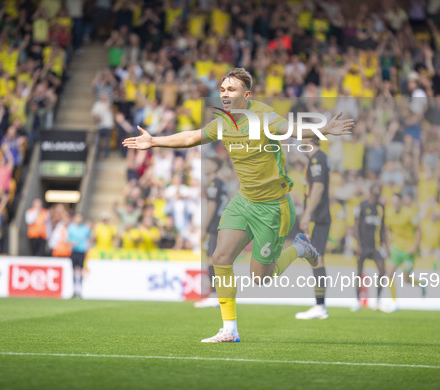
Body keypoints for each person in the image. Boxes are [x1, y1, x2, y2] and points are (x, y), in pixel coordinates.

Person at [123, 67, 354, 343]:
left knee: (261, 279)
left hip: (272, 207)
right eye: (222, 90)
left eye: (231, 90)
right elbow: (190, 138)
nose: (225, 94)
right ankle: (229, 329)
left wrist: (322, 128)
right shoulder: (222, 122)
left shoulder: (263, 116)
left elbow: (290, 129)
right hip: (244, 201)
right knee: (220, 258)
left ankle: (301, 248)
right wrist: (154, 141)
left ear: (247, 94)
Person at [296, 136, 332, 320]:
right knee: (316, 260)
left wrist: (308, 213)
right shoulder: (315, 158)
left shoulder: (317, 158)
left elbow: (318, 187)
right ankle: (320, 305)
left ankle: (320, 306)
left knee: (318, 260)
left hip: (318, 217)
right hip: (318, 216)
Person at [195, 156, 227, 308]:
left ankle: (214, 295)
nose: (205, 166)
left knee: (211, 259)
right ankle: (216, 294)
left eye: (208, 163)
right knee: (215, 260)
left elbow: (212, 206)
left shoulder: (214, 183)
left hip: (215, 226)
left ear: (215, 166)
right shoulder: (221, 183)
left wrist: (204, 228)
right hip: (221, 225)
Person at [384, 193, 424, 312]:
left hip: (408, 250)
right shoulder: (389, 213)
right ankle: (394, 302)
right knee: (389, 273)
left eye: (397, 202)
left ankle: (421, 283)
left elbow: (419, 232)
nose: (395, 204)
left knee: (406, 279)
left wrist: (414, 247)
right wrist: (389, 244)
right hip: (396, 248)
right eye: (393, 202)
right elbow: (387, 229)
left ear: (401, 202)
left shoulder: (410, 213)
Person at [351, 184, 387, 312]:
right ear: (371, 192)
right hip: (363, 245)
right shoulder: (362, 206)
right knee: (359, 272)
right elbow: (356, 226)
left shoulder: (381, 208)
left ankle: (378, 301)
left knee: (382, 271)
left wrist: (385, 245)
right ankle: (357, 301)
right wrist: (358, 244)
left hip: (375, 246)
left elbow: (383, 229)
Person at [67, 213, 92, 298]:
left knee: (81, 270)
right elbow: (67, 239)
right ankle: (74, 290)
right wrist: (72, 242)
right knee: (74, 270)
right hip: (74, 251)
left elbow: (89, 238)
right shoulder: (71, 227)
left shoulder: (85, 228)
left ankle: (80, 290)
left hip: (82, 251)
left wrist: (87, 248)